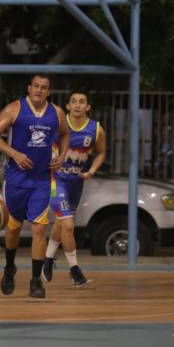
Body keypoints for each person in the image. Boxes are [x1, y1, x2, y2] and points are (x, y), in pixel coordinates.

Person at [0, 74, 68, 299]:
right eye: (36, 86)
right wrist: (14, 153)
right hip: (16, 179)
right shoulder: (14, 109)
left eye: (44, 87)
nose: (39, 90)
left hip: (41, 180)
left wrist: (62, 156)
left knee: (40, 228)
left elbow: (65, 135)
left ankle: (35, 281)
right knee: (14, 227)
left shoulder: (57, 113)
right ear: (29, 88)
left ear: (49, 91)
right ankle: (9, 267)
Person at [42, 90, 106, 287]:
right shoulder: (58, 125)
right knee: (68, 224)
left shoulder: (96, 129)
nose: (78, 105)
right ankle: (74, 270)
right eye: (74, 101)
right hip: (56, 181)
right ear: (68, 106)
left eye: (82, 102)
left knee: (61, 223)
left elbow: (101, 153)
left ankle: (48, 259)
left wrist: (92, 170)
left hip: (76, 182)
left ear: (88, 107)